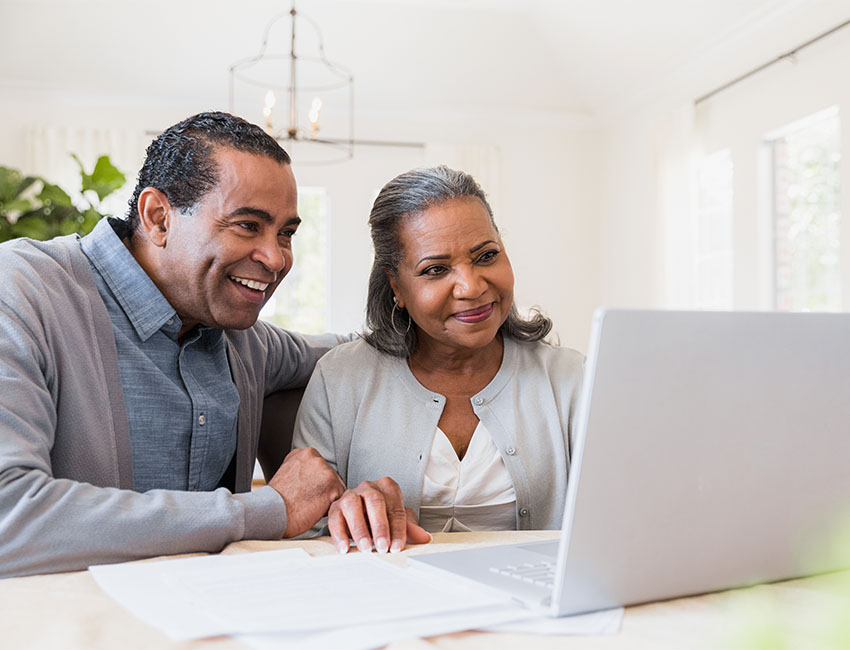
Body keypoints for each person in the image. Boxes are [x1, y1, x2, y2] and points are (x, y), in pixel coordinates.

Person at [0, 112, 413, 578]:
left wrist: (454, 312)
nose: (276, 258)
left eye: (286, 233)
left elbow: (350, 350)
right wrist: (267, 509)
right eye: (247, 225)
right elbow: (8, 518)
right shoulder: (21, 292)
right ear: (159, 218)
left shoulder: (246, 344)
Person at [293, 166, 584, 551]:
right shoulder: (339, 379)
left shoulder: (573, 378)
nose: (471, 286)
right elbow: (304, 533)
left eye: (486, 256)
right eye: (436, 269)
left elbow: (617, 519)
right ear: (396, 285)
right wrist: (344, 516)